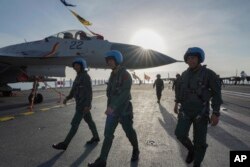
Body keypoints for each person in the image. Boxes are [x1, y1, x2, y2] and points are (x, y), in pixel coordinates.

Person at [88, 50, 140, 167]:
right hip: (113, 112)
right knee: (108, 135)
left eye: (111, 60)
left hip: (124, 111)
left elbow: (125, 93)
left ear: (117, 60)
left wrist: (112, 106)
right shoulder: (112, 75)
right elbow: (111, 94)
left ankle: (136, 149)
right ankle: (102, 161)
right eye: (108, 61)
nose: (109, 63)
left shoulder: (125, 74)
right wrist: (110, 107)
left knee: (129, 132)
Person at [174, 47, 222, 167]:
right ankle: (191, 150)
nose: (191, 60)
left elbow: (217, 93)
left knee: (200, 142)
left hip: (201, 112)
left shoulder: (209, 74)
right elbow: (179, 90)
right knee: (180, 134)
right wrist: (176, 103)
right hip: (185, 110)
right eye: (189, 58)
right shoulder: (184, 75)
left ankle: (197, 163)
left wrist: (216, 112)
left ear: (199, 59)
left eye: (194, 58)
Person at [52, 58, 99, 150]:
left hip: (83, 105)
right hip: (80, 104)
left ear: (82, 66)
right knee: (89, 121)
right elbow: (73, 90)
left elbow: (89, 92)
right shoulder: (78, 77)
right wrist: (67, 98)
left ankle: (65, 144)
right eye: (74, 65)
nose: (75, 67)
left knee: (74, 124)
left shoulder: (85, 76)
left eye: (78, 65)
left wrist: (88, 105)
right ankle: (96, 137)